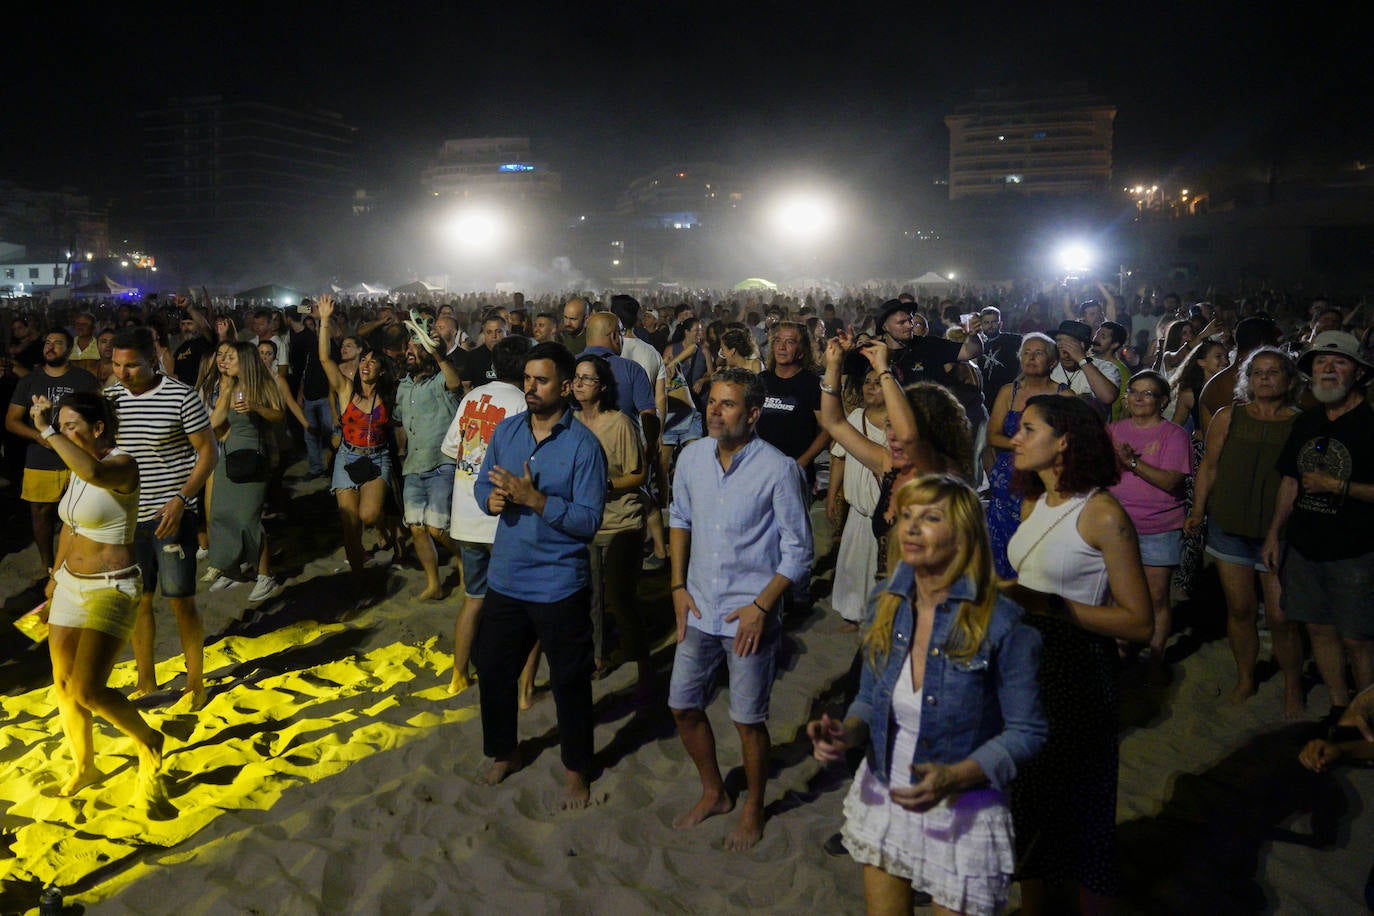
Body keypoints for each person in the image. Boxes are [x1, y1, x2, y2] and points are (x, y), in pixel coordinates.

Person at [808, 474, 1047, 916]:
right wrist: (847, 733)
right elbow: (867, 699)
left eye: (931, 517)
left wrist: (956, 776)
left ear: (963, 534)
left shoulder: (1002, 623)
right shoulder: (886, 602)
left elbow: (1027, 732)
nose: (912, 528)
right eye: (907, 516)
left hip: (962, 812)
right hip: (886, 793)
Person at [1004, 394, 1152, 913]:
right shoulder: (1035, 502)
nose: (1014, 439)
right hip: (1026, 668)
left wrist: (1051, 607)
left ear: (1063, 439)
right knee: (1029, 806)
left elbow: (1139, 621)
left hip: (1079, 675)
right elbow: (1029, 582)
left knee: (1084, 813)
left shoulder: (1103, 514)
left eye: (1027, 429)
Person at [669, 367, 812, 850]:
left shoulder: (778, 468)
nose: (713, 409)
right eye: (712, 401)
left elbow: (798, 550)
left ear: (753, 414)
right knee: (682, 706)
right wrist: (676, 586)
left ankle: (753, 805)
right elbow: (680, 518)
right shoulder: (691, 458)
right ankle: (715, 792)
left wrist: (762, 606)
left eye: (726, 404)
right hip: (699, 608)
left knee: (747, 719)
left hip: (749, 614)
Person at [471, 341, 607, 809]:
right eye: (527, 379)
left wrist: (535, 500)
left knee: (569, 681)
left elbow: (590, 521)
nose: (530, 387)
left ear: (566, 387)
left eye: (542, 379)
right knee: (492, 670)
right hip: (507, 578)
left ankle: (575, 770)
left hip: (559, 583)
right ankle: (504, 751)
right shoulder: (507, 432)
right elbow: (481, 480)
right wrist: (487, 500)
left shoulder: (583, 446)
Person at [29, 392, 165, 798]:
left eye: (73, 426)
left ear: (98, 429)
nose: (66, 433)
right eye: (63, 425)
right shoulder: (77, 466)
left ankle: (149, 739)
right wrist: (54, 577)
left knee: (89, 690)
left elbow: (94, 473)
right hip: (71, 582)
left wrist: (49, 431)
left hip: (113, 586)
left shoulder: (122, 465)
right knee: (64, 682)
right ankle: (84, 766)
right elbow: (71, 525)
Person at [1186, 347, 1303, 714]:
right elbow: (1209, 467)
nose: (1265, 378)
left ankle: (1292, 685)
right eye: (1258, 372)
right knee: (1240, 608)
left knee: (1281, 616)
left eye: (1273, 371)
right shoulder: (1228, 416)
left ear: (1289, 379)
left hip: (1278, 531)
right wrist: (1198, 510)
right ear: (1247, 380)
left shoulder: (1301, 422)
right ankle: (1245, 678)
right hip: (1230, 525)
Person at [106, 326, 218, 710]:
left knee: (180, 600)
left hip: (171, 514)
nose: (123, 373)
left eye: (132, 366)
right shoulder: (111, 398)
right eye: (117, 365)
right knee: (139, 600)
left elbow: (207, 452)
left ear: (152, 360)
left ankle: (195, 682)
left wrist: (181, 498)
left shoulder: (179, 396)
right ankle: (145, 679)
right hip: (125, 517)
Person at [1263, 330, 1374, 709]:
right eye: (1320, 362)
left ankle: (1366, 718)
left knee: (1358, 640)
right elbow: (1290, 480)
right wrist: (1274, 535)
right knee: (1319, 629)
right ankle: (1341, 708)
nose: (1328, 369)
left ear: (1358, 373)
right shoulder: (1308, 420)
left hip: (1355, 551)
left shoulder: (1370, 425)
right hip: (1305, 546)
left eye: (1339, 362)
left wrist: (1336, 485)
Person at [441, 336, 531, 694]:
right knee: (521, 601)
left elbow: (451, 449)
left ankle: (458, 674)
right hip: (501, 519)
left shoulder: (472, 397)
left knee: (474, 598)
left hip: (465, 516)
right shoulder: (523, 404)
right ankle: (522, 680)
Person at [571, 354, 653, 687]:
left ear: (602, 386)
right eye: (576, 377)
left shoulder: (619, 423)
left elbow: (638, 474)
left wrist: (605, 485)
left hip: (622, 521)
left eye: (587, 378)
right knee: (588, 596)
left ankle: (639, 660)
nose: (578, 383)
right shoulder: (570, 422)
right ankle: (597, 657)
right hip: (586, 522)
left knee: (620, 594)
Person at [1107, 370, 1192, 662]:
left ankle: (1155, 659)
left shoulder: (1174, 435)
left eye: (1147, 393)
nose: (1138, 398)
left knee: (1156, 597)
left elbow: (1170, 481)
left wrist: (1131, 462)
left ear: (1163, 400)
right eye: (1133, 391)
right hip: (1117, 527)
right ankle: (1122, 652)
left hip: (1159, 527)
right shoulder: (1114, 430)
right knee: (1118, 594)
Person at [317, 294, 396, 586]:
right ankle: (359, 578)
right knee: (349, 524)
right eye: (364, 360)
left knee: (369, 513)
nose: (366, 365)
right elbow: (325, 358)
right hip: (348, 456)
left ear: (382, 370)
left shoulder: (388, 396)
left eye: (373, 362)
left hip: (376, 456)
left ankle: (385, 531)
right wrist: (324, 321)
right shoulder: (346, 389)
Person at [6, 328, 100, 575]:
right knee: (40, 514)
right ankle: (47, 564)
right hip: (40, 458)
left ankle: (75, 562)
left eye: (58, 343)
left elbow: (99, 414)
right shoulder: (30, 381)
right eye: (47, 342)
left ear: (69, 350)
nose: (50, 346)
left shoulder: (84, 380)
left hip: (76, 458)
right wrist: (39, 436)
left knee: (79, 513)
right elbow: (11, 420)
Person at [199, 341, 284, 601]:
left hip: (254, 456)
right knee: (223, 514)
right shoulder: (231, 386)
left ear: (245, 360)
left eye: (232, 358)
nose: (226, 362)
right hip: (228, 455)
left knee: (249, 519)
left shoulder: (263, 384)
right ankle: (232, 570)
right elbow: (214, 423)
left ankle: (264, 575)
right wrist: (224, 393)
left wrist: (256, 407)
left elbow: (278, 416)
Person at [984, 333, 1071, 578]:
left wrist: (1041, 453)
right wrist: (1025, 446)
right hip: (1006, 487)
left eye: (1038, 353)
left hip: (1044, 485)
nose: (1031, 358)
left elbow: (1077, 442)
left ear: (1052, 362)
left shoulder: (1064, 397)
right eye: (1026, 353)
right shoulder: (1008, 393)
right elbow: (993, 436)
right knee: (1002, 561)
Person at [395, 324, 464, 600]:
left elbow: (455, 384)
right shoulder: (403, 386)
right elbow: (400, 422)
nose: (410, 351)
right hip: (413, 466)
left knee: (438, 526)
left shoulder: (440, 380)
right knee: (417, 527)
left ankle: (465, 562)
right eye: (409, 347)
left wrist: (438, 355)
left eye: (416, 347)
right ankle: (434, 584)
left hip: (441, 464)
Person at [825, 360, 888, 630]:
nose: (872, 388)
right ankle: (853, 615)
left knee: (879, 568)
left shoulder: (900, 425)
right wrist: (832, 494)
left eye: (879, 383)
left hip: (885, 517)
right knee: (853, 567)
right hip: (858, 513)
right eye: (867, 383)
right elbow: (838, 457)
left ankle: (878, 618)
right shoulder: (854, 418)